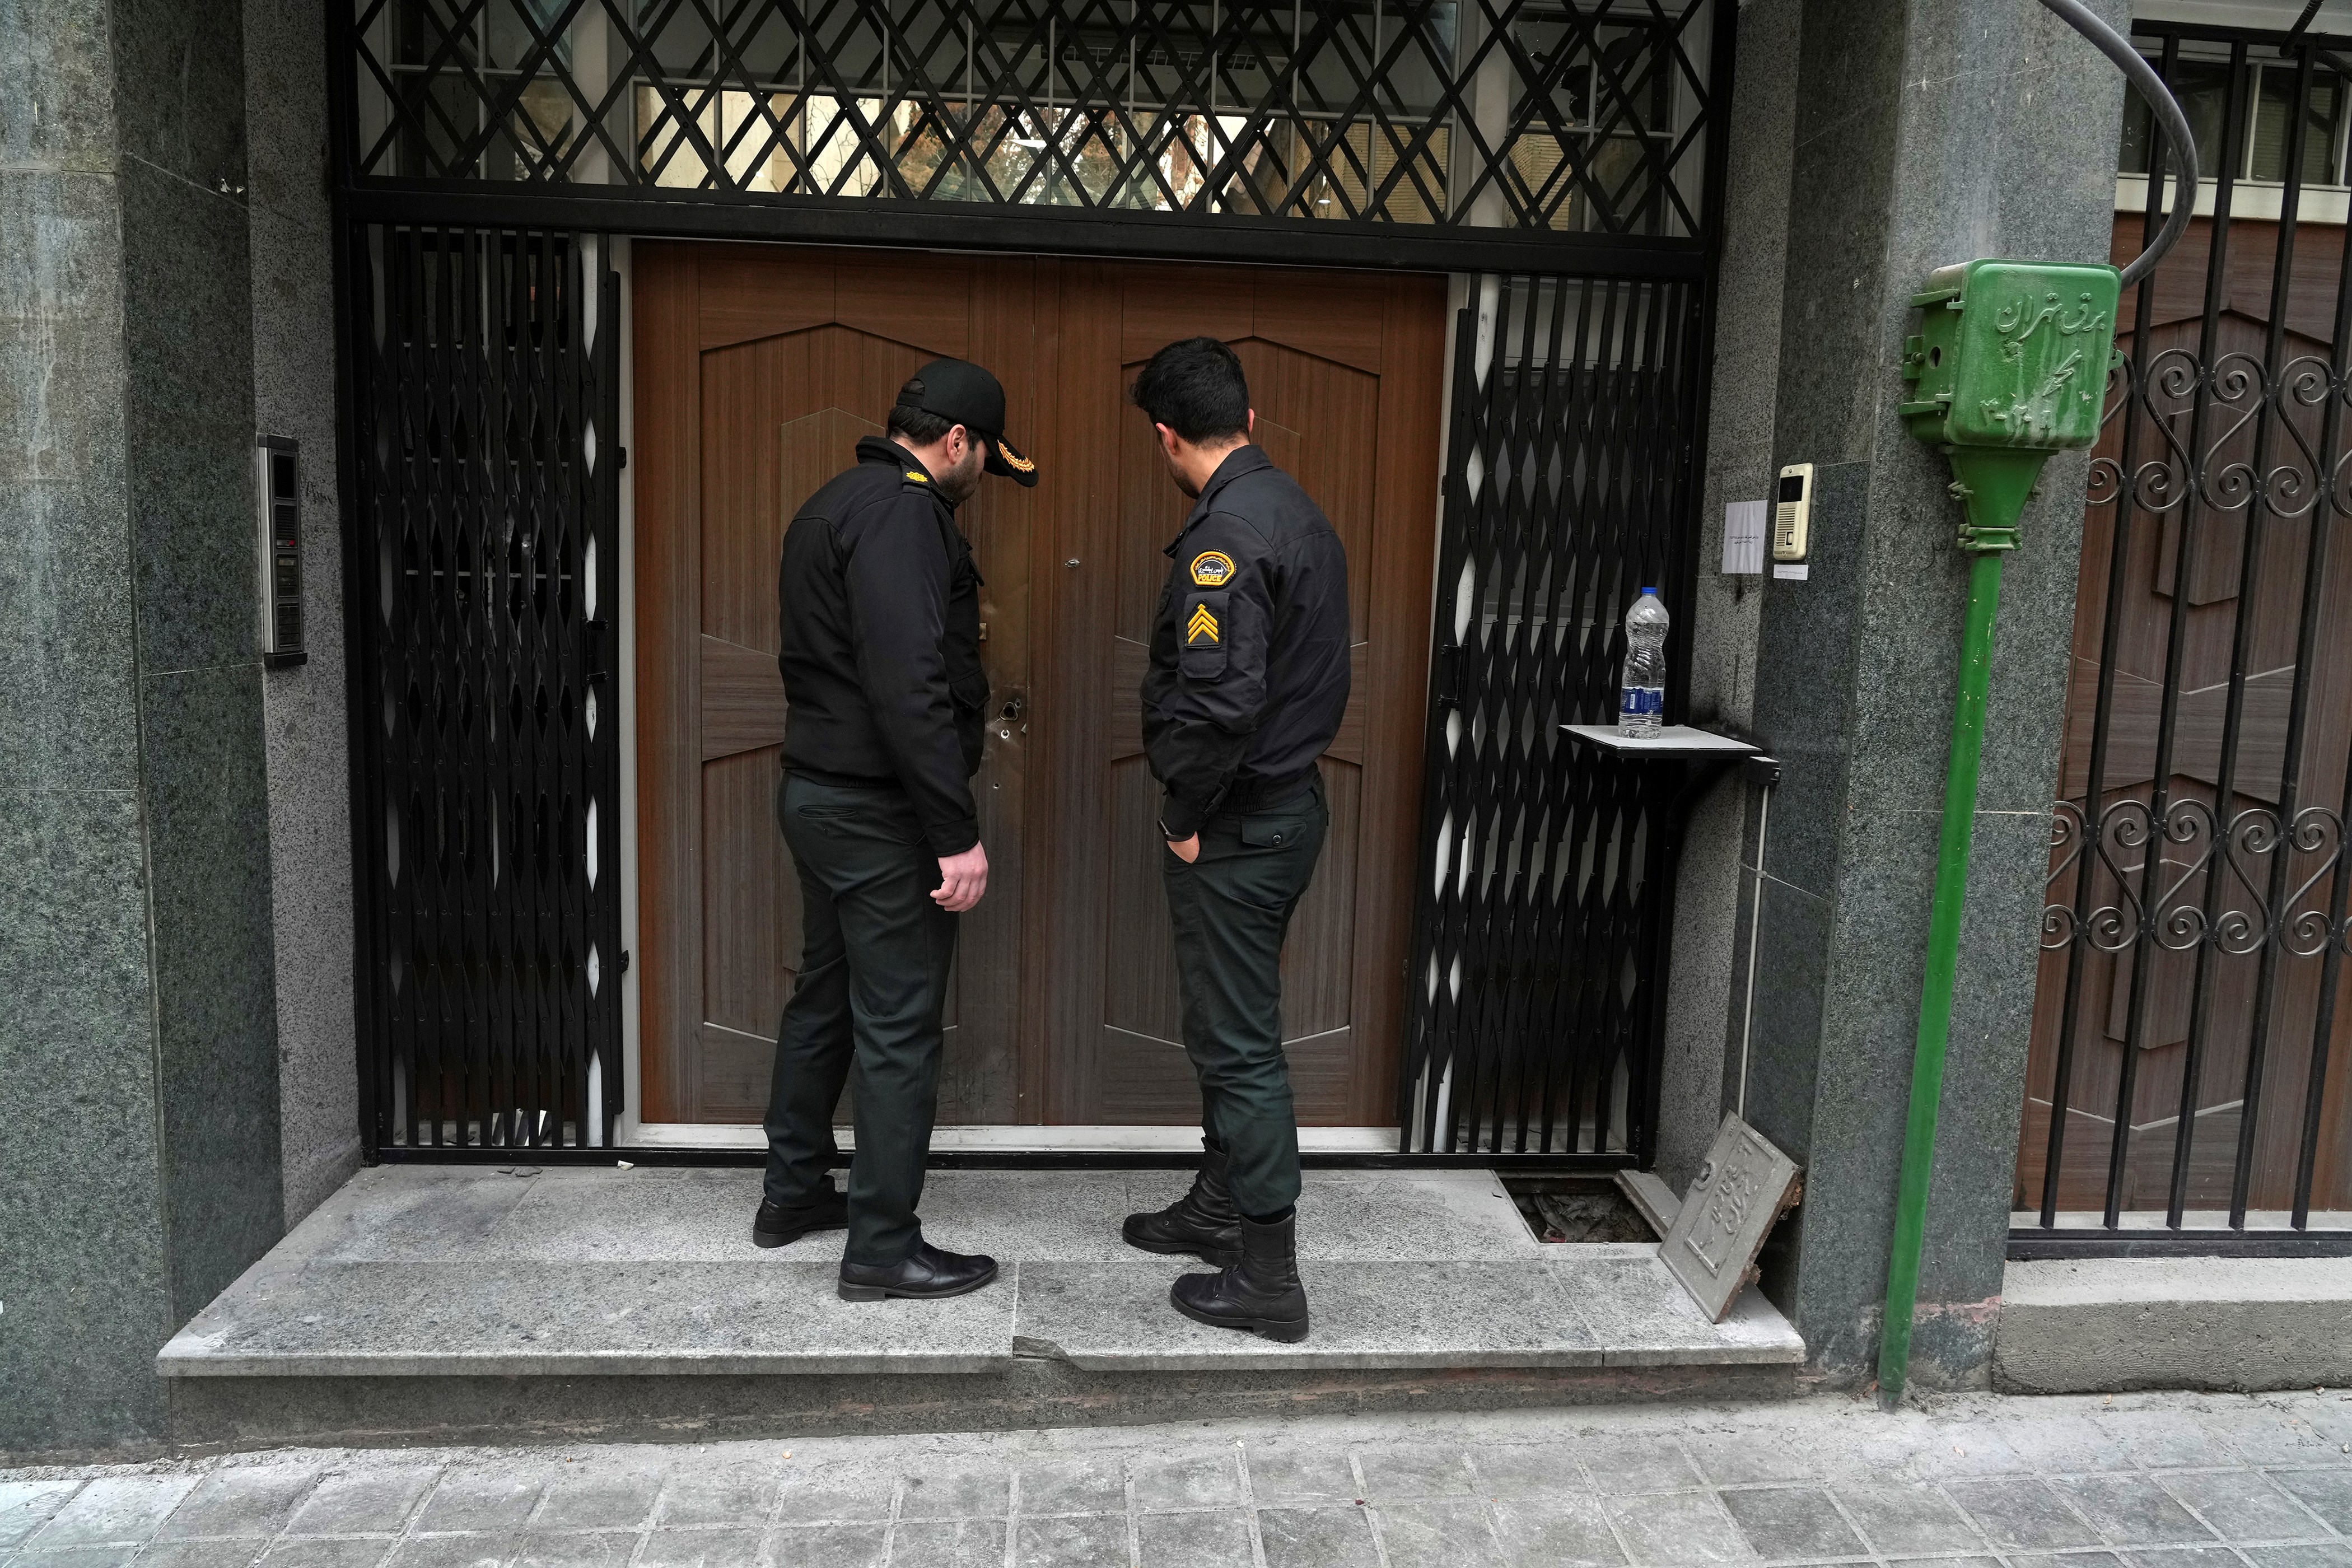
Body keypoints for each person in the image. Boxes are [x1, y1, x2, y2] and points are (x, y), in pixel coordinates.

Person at [754, 358, 1037, 1303]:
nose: (983, 478)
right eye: (987, 459)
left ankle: (793, 1192)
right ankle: (882, 1247)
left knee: (828, 997)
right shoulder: (908, 516)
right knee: (899, 1027)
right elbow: (909, 682)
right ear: (957, 442)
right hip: (880, 819)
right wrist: (954, 832)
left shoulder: (831, 503)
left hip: (819, 799)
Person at [1119, 338, 1350, 1343]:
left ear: (1167, 438)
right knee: (1226, 1026)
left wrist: (1182, 819)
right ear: (1249, 421)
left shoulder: (1228, 539)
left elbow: (1219, 711)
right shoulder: (1293, 510)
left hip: (1240, 825)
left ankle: (1268, 1275)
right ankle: (1219, 1205)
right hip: (1281, 810)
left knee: (1241, 1044)